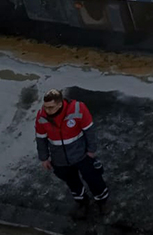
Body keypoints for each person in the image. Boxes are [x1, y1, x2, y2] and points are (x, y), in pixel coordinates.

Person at [35, 89, 109, 218]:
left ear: (60, 104)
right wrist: (44, 158)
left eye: (51, 107)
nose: (47, 110)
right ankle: (82, 203)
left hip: (82, 155)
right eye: (45, 107)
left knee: (93, 178)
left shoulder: (78, 109)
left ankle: (102, 201)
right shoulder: (42, 116)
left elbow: (89, 131)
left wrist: (91, 151)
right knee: (72, 183)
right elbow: (41, 138)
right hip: (60, 159)